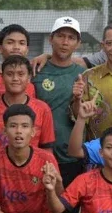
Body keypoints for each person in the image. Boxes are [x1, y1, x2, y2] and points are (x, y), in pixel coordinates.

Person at [32, 16, 86, 188]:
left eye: (71, 38)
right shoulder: (35, 70)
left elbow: (82, 116)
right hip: (38, 153)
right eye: (61, 36)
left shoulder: (84, 74)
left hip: (71, 156)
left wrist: (77, 99)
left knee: (68, 209)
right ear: (51, 39)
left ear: (77, 43)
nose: (65, 42)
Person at [0, 24, 36, 98]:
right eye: (10, 42)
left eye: (21, 43)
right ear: (0, 48)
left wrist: (47, 56)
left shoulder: (36, 70)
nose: (16, 47)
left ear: (27, 50)